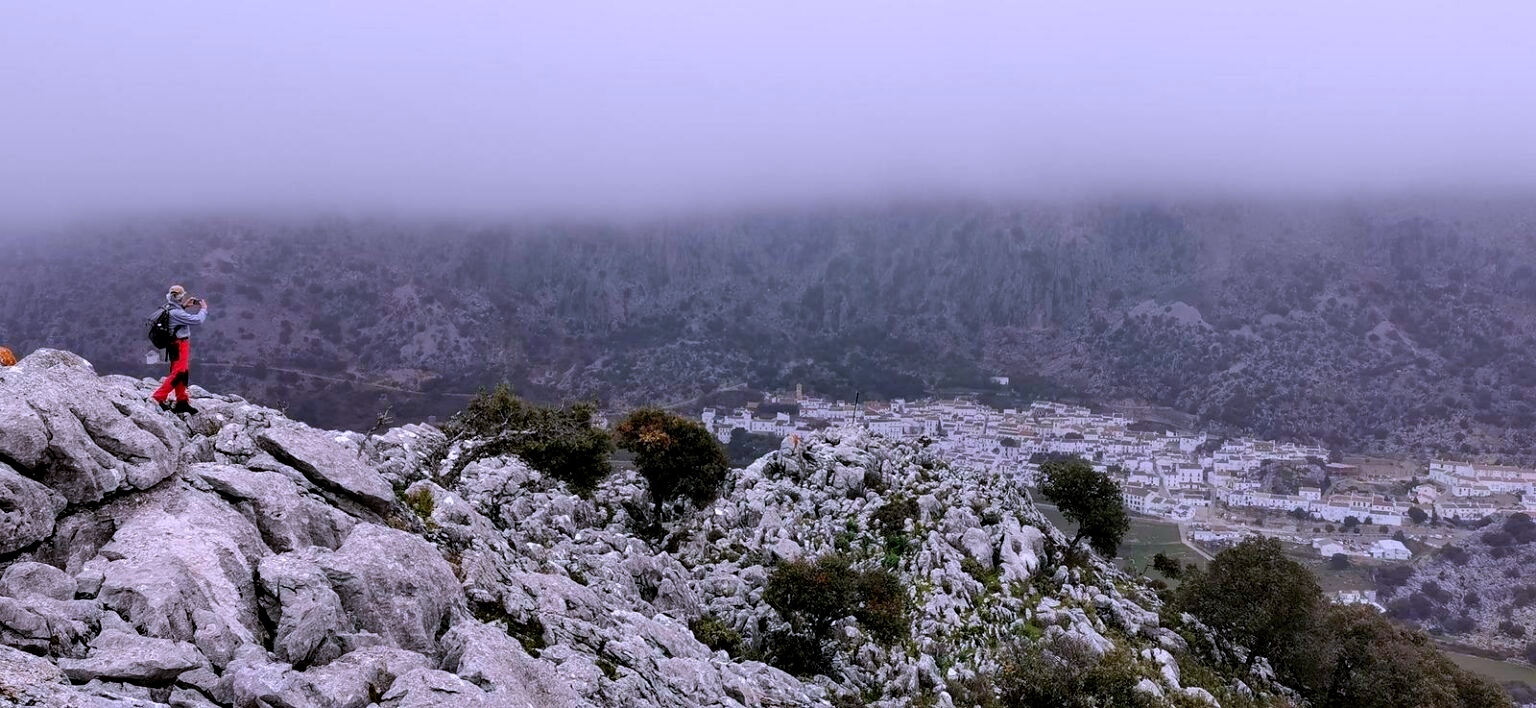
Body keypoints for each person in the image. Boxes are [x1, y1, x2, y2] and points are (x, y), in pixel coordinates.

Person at [151, 284, 210, 414]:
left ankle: (182, 401)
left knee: (183, 372)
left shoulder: (170, 307)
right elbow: (197, 320)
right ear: (180, 297)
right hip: (179, 344)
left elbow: (176, 315)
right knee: (179, 373)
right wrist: (204, 309)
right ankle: (158, 397)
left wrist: (184, 306)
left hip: (175, 344)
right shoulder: (177, 313)